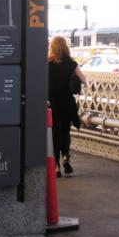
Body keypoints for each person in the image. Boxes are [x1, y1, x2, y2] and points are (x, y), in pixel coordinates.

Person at [48, 35, 86, 177]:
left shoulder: (47, 63)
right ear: (66, 47)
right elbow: (84, 80)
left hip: (51, 104)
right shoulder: (72, 64)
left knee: (53, 134)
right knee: (65, 131)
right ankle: (65, 156)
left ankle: (56, 167)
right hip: (67, 103)